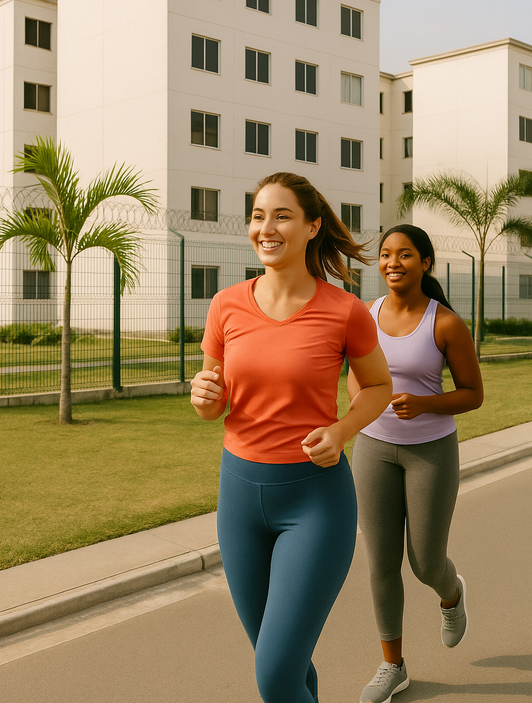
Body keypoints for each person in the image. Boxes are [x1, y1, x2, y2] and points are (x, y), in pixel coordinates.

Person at [190, 172, 392, 703]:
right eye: (258, 216)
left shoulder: (344, 309)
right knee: (288, 668)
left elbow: (377, 387)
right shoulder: (225, 306)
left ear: (311, 227)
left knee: (275, 675)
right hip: (238, 500)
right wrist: (205, 401)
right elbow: (213, 403)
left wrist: (342, 429)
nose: (266, 228)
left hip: (315, 502)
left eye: (281, 215)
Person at [348, 224, 484, 703]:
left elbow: (474, 395)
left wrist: (424, 405)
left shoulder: (444, 323)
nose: (392, 263)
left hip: (431, 451)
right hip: (373, 449)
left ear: (426, 263)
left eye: (405, 255)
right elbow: (356, 381)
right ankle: (393, 666)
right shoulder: (364, 316)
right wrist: (360, 410)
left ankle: (452, 595)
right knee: (380, 563)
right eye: (386, 254)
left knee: (425, 562)